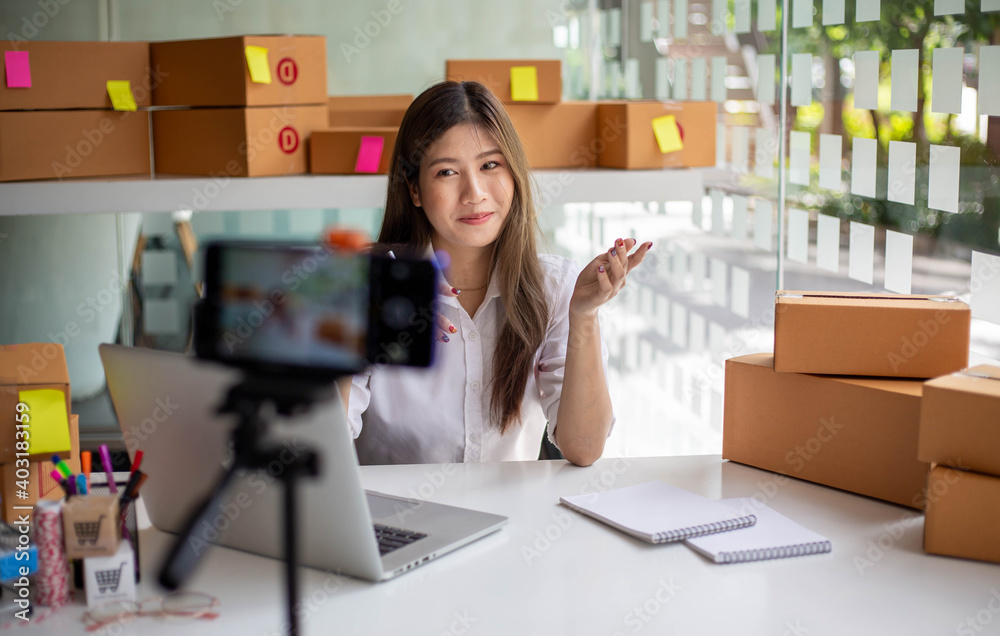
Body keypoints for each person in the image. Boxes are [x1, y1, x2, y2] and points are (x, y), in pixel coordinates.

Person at [343, 80, 650, 467]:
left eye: (490, 165)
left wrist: (584, 316)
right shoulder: (368, 287)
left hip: (512, 522)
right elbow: (322, 450)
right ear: (414, 189)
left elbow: (583, 448)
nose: (474, 193)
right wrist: (349, 331)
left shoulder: (555, 288)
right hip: (390, 522)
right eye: (446, 173)